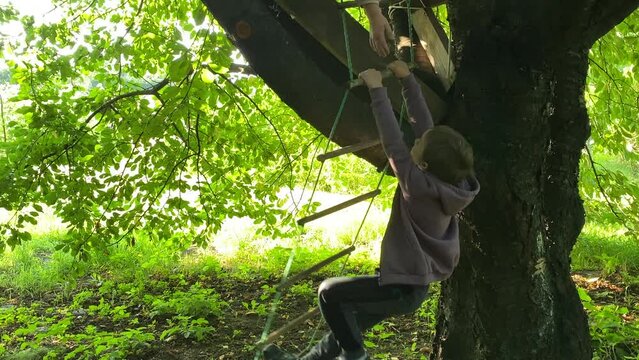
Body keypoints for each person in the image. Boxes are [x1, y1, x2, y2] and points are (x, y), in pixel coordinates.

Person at [263, 60, 480, 360]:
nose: (415, 141)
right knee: (345, 325)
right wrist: (407, 81)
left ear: (424, 164)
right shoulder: (452, 183)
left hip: (401, 287)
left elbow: (393, 143)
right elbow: (428, 129)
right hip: (410, 286)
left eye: (418, 146)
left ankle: (356, 357)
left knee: (329, 293)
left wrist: (377, 89)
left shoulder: (416, 185)